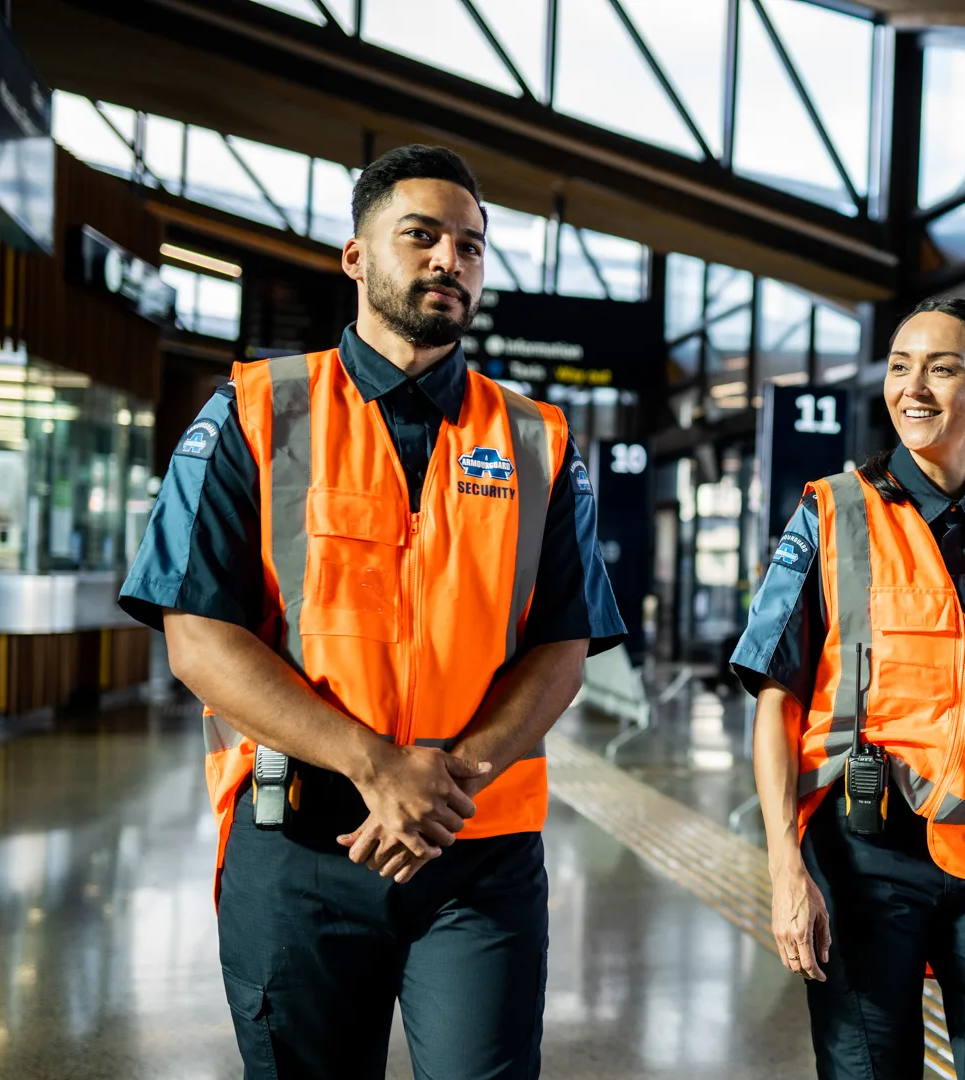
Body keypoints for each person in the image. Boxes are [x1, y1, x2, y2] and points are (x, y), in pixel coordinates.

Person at [118, 144, 625, 1080]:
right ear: (356, 257)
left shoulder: (537, 439)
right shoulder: (254, 411)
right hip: (302, 844)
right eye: (421, 237)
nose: (450, 262)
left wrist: (443, 782)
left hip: (476, 850)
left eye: (471, 247)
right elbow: (196, 634)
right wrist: (375, 767)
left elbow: (563, 643)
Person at [732, 295, 965, 1080]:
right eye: (901, 369)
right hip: (862, 854)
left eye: (942, 369)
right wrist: (785, 869)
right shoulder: (834, 512)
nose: (915, 389)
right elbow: (777, 702)